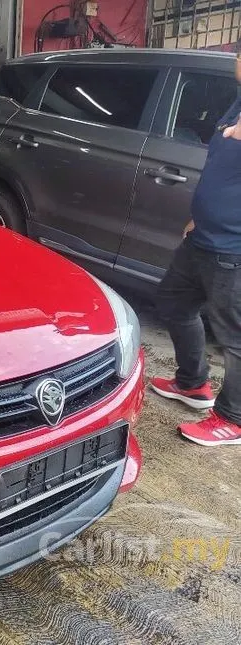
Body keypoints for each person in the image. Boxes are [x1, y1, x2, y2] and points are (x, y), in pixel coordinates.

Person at [151, 51, 241, 446]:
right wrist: (198, 217)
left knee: (234, 336)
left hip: (233, 247)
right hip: (204, 235)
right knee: (173, 301)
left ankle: (233, 419)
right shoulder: (237, 102)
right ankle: (192, 383)